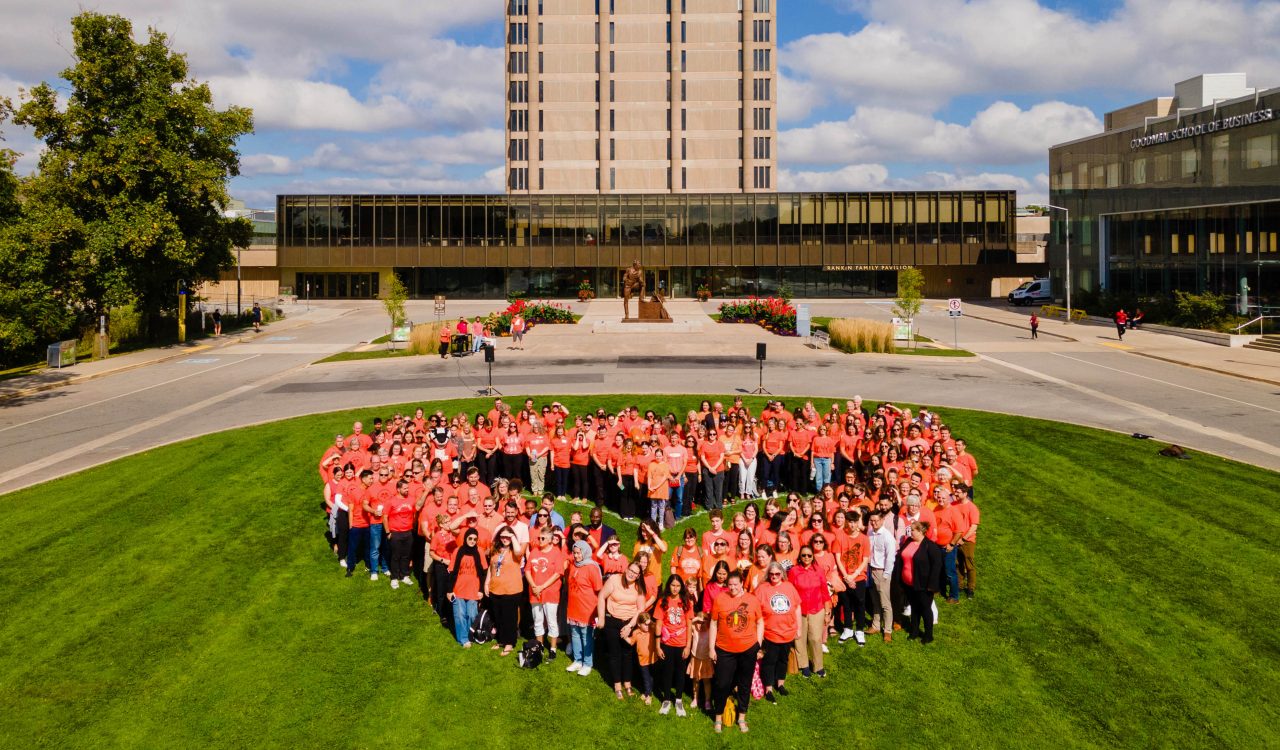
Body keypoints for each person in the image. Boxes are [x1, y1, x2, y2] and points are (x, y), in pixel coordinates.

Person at [709, 570, 763, 734]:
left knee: (744, 684)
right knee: (722, 684)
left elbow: (760, 622)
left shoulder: (752, 600)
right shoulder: (720, 599)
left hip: (748, 649)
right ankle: (718, 716)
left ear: (741, 584)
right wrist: (711, 647)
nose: (732, 588)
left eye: (735, 584)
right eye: (729, 584)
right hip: (724, 649)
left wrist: (758, 644)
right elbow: (713, 623)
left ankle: (742, 717)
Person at [597, 562, 648, 699]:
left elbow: (640, 609)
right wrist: (601, 618)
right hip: (612, 620)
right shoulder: (614, 580)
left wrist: (630, 626)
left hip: (629, 622)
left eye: (635, 573)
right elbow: (601, 596)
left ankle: (627, 683)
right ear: (626, 569)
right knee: (615, 653)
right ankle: (617, 684)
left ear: (638, 576)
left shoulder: (639, 587)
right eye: (630, 570)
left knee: (628, 654)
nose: (631, 574)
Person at [754, 562, 801, 704]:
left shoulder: (789, 586)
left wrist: (798, 628)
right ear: (768, 574)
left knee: (783, 660)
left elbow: (797, 606)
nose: (774, 576)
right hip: (770, 633)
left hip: (787, 632)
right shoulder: (762, 589)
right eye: (772, 574)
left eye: (777, 574)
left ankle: (780, 683)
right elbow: (755, 610)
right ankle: (768, 688)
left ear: (782, 574)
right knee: (769, 661)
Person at [653, 574, 694, 716]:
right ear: (668, 586)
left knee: (680, 673)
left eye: (678, 586)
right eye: (672, 585)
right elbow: (658, 624)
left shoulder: (686, 602)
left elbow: (689, 625)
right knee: (667, 672)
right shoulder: (662, 601)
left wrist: (688, 646)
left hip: (682, 644)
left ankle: (678, 700)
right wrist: (657, 646)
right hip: (666, 643)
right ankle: (666, 700)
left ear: (681, 587)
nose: (675, 588)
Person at [788, 545, 829, 678]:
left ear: (813, 557)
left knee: (815, 638)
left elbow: (825, 592)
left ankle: (818, 666)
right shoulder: (794, 571)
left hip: (817, 609)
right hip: (799, 610)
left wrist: (827, 612)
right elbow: (790, 592)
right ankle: (804, 664)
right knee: (800, 638)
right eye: (804, 555)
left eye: (809, 555)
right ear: (799, 557)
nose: (806, 558)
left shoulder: (818, 570)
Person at [900, 521, 944, 644]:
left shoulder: (930, 546)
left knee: (925, 609)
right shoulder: (909, 541)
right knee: (914, 609)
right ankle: (914, 632)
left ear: (920, 531)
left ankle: (928, 635)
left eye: (913, 530)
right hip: (909, 584)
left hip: (923, 585)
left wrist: (932, 586)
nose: (910, 532)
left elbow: (937, 566)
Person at [526, 527, 565, 659]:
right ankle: (540, 647)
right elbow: (527, 570)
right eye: (539, 538)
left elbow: (558, 573)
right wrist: (533, 585)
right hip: (535, 592)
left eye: (543, 538)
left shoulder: (556, 553)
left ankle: (553, 648)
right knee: (537, 620)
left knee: (551, 621)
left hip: (550, 593)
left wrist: (541, 586)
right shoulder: (534, 551)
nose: (540, 540)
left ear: (550, 540)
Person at [565, 540, 603, 676]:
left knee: (586, 637)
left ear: (585, 552)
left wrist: (599, 612)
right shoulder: (574, 565)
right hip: (573, 608)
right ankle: (577, 660)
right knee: (575, 635)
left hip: (587, 610)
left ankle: (587, 663)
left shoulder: (592, 567)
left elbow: (599, 590)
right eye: (574, 553)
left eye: (578, 553)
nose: (576, 556)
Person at [484, 530, 525, 656]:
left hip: (511, 590)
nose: (505, 539)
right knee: (498, 616)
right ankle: (501, 640)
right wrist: (487, 583)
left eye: (508, 536)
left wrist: (513, 537)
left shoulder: (515, 552)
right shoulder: (495, 550)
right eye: (502, 536)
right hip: (496, 588)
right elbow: (491, 568)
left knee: (510, 617)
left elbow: (519, 551)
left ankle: (510, 643)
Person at [446, 528, 487, 647]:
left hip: (474, 590)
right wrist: (449, 590)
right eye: (470, 538)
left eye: (475, 539)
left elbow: (483, 572)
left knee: (472, 614)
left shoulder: (480, 551)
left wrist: (481, 590)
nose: (472, 541)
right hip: (458, 589)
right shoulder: (458, 551)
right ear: (465, 538)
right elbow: (452, 571)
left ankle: (470, 635)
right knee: (459, 615)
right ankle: (463, 639)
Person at [867, 510, 896, 642]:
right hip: (870, 569)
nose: (873, 523)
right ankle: (876, 625)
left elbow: (890, 558)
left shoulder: (887, 536)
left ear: (882, 520)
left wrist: (886, 574)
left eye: (876, 520)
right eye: (871, 521)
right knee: (874, 600)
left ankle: (888, 630)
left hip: (882, 571)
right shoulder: (870, 533)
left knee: (885, 603)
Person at [624, 613, 658, 705]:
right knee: (646, 678)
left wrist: (650, 623)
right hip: (642, 660)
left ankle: (648, 693)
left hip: (653, 658)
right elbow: (631, 642)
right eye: (645, 624)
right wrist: (624, 637)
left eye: (648, 624)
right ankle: (648, 694)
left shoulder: (652, 629)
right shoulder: (636, 632)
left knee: (650, 677)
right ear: (639, 624)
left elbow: (658, 627)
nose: (647, 626)